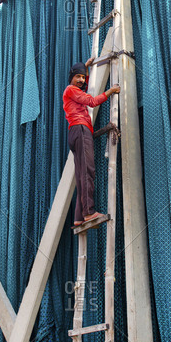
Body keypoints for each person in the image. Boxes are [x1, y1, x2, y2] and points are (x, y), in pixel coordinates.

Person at [63, 57, 120, 228]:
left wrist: (85, 68)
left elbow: (84, 88)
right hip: (80, 130)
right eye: (78, 77)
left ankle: (79, 217)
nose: (81, 80)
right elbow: (92, 101)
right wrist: (111, 91)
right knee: (88, 170)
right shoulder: (71, 89)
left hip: (76, 131)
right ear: (71, 77)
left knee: (82, 173)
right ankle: (89, 212)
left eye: (83, 77)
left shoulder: (73, 90)